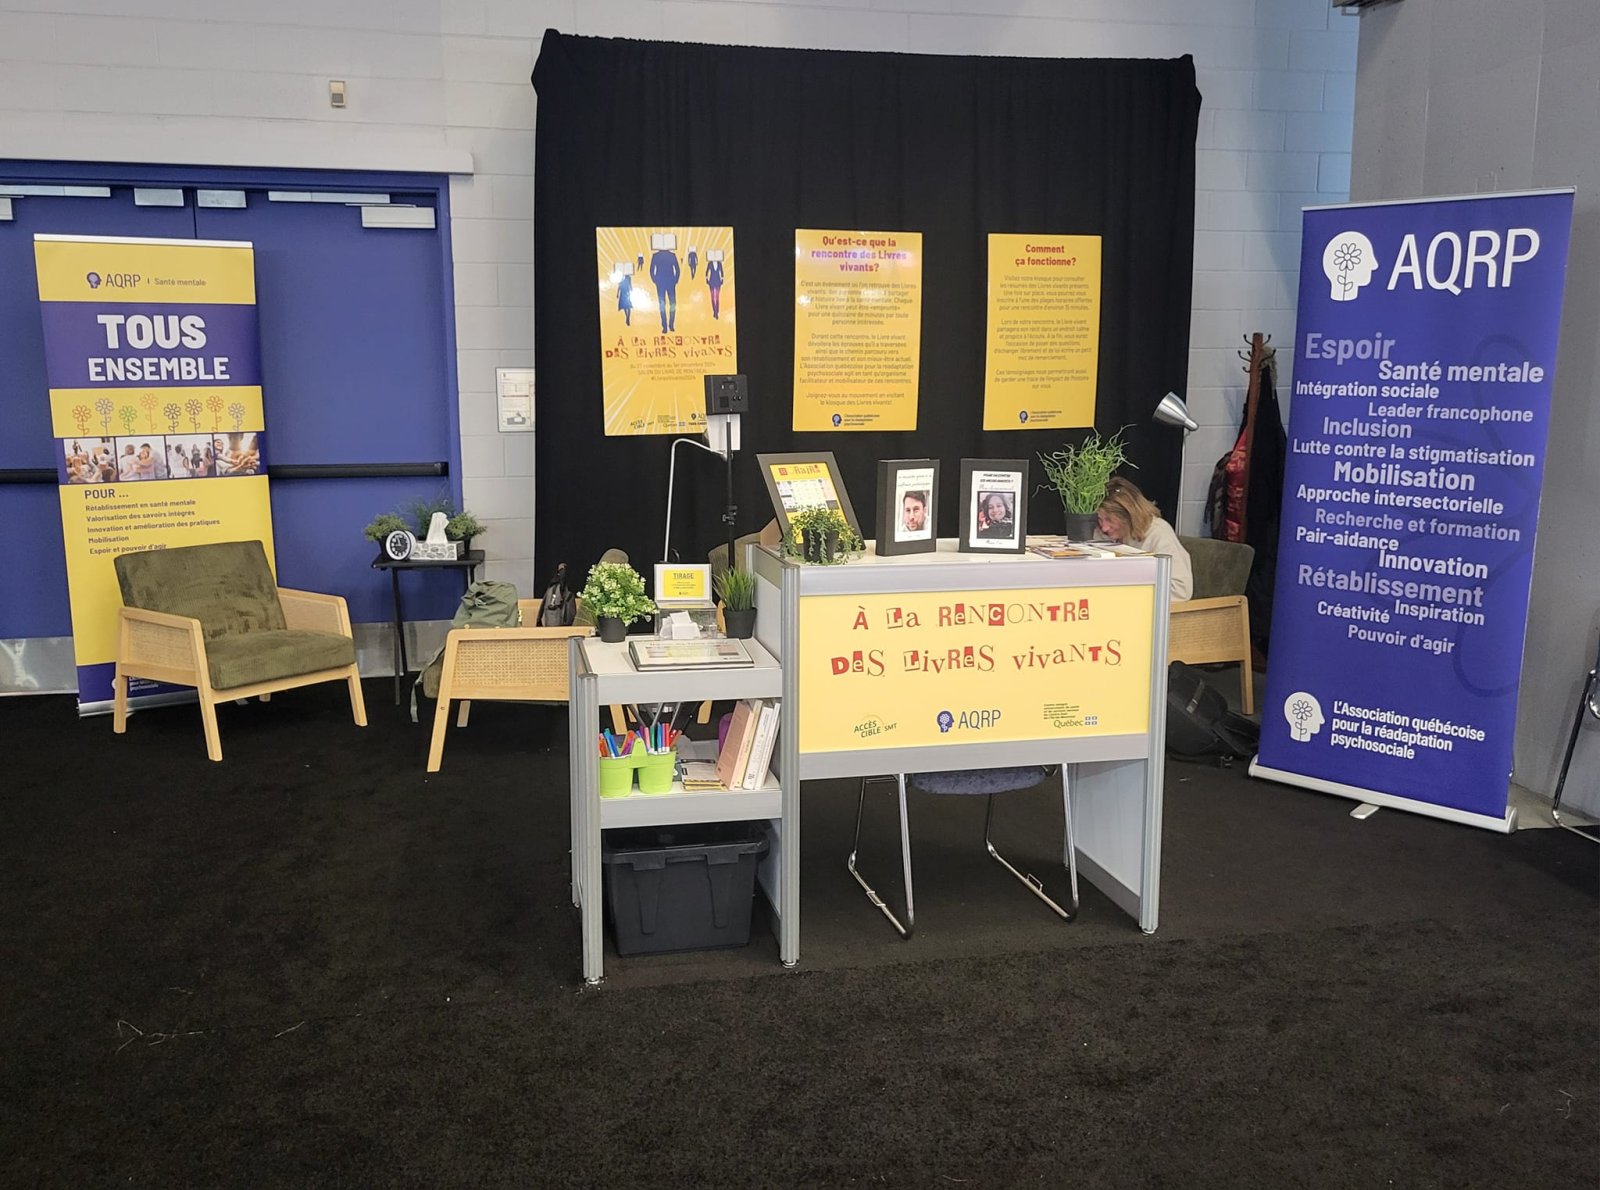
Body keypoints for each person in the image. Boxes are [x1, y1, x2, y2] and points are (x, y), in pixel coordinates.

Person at [1095, 476, 1193, 602]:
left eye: (1109, 519)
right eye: (1100, 519)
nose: (1104, 527)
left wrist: (1129, 591)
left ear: (1129, 515)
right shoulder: (1103, 533)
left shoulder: (1158, 533)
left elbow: (1181, 590)